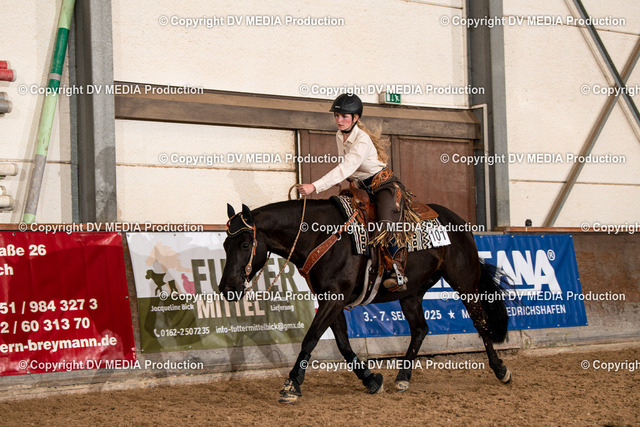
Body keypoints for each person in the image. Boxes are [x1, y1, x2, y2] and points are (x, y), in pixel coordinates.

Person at [298, 93, 419, 291]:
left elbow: (344, 168)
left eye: (344, 116)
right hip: (361, 187)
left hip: (383, 186)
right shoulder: (340, 135)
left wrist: (314, 186)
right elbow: (347, 167)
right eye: (337, 115)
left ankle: (396, 270)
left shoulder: (362, 140)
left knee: (385, 224)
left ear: (355, 118)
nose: (339, 120)